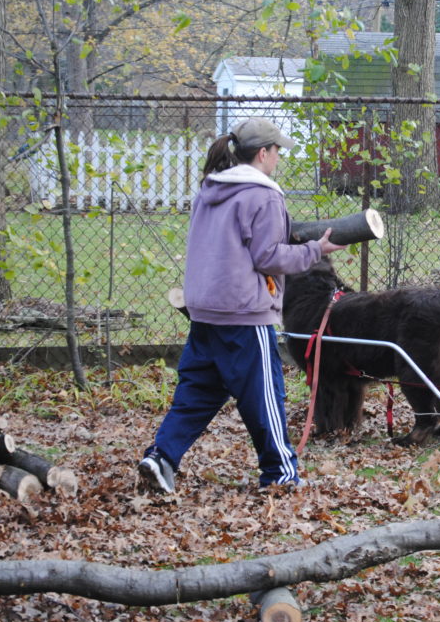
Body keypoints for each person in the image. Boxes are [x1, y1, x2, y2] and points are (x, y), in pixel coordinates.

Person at [138, 118, 346, 493]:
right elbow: (268, 257)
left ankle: (161, 457)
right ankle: (281, 474)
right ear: (263, 153)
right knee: (265, 396)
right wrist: (316, 250)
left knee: (197, 393)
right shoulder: (263, 195)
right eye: (277, 151)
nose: (278, 158)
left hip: (204, 310)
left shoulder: (210, 189)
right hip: (244, 314)